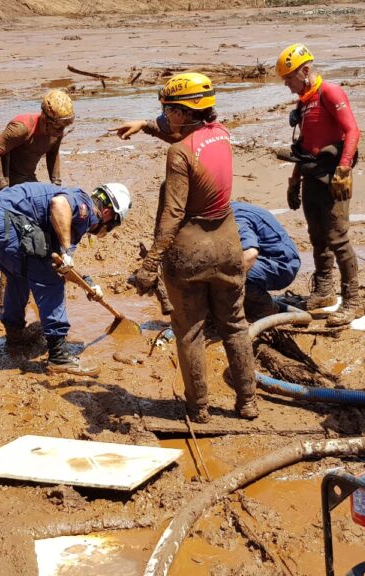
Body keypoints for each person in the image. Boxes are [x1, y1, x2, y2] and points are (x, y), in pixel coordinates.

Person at [111, 72, 258, 423]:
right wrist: (146, 125)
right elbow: (188, 140)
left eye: (166, 111)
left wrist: (149, 266)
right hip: (227, 243)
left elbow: (172, 215)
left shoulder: (178, 153)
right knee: (235, 324)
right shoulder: (220, 134)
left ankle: (199, 409)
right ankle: (248, 403)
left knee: (189, 330)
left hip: (190, 251)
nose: (165, 117)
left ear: (180, 113)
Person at [0, 181, 132, 377]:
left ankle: (14, 334)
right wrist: (66, 250)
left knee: (18, 276)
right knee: (51, 281)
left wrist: (88, 283)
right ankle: (59, 356)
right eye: (112, 225)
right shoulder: (85, 206)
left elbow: (60, 264)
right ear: (107, 214)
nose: (105, 231)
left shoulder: (69, 219)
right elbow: (59, 203)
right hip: (2, 221)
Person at [276, 43, 361, 326]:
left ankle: (352, 301)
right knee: (317, 237)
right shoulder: (304, 102)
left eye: (290, 79)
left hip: (332, 176)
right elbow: (303, 146)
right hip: (311, 175)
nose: (288, 86)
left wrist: (344, 167)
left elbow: (352, 130)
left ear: (305, 70)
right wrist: (294, 180)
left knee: (338, 238)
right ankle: (324, 290)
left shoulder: (330, 92)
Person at [0, 90, 74, 194]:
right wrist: (2, 186)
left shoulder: (57, 133)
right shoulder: (21, 129)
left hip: (27, 176)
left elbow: (53, 154)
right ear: (45, 118)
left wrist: (56, 185)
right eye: (59, 124)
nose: (61, 130)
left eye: (66, 124)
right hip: (6, 177)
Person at [232, 201, 301, 320]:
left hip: (282, 265)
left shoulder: (236, 218)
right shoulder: (227, 208)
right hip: (269, 259)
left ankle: (265, 309)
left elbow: (250, 254)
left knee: (227, 274)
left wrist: (226, 283)